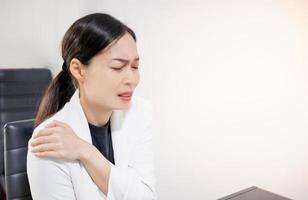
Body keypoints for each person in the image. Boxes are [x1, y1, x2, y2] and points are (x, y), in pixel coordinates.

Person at [27, 13, 155, 200]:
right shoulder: (49, 141)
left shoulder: (139, 112)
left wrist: (87, 152)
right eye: (118, 67)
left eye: (135, 67)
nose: (132, 80)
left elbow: (146, 196)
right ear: (78, 69)